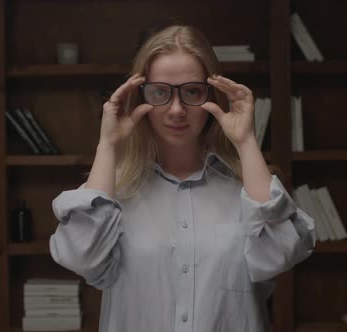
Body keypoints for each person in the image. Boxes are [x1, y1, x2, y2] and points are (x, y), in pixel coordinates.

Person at [49, 25, 315, 332]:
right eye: (160, 92)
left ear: (212, 95)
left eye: (191, 92)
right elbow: (82, 258)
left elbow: (281, 254)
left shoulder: (248, 192)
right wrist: (108, 146)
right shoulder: (110, 194)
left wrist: (246, 142)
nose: (176, 110)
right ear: (141, 99)